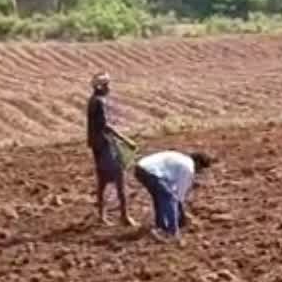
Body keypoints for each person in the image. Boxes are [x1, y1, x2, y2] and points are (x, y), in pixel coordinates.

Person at [86, 72, 137, 227]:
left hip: (97, 146)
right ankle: (125, 216)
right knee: (120, 177)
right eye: (107, 85)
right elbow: (106, 126)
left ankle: (101, 216)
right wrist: (126, 140)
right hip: (105, 144)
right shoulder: (100, 102)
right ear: (101, 87)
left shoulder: (92, 101)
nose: (109, 87)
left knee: (102, 180)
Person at [132, 150, 213, 241]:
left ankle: (161, 226)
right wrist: (182, 216)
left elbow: (171, 187)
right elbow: (178, 196)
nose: (198, 172)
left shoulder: (180, 159)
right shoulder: (188, 167)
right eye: (201, 168)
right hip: (151, 171)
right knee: (170, 198)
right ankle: (172, 232)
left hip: (141, 168)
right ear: (198, 163)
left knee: (160, 197)